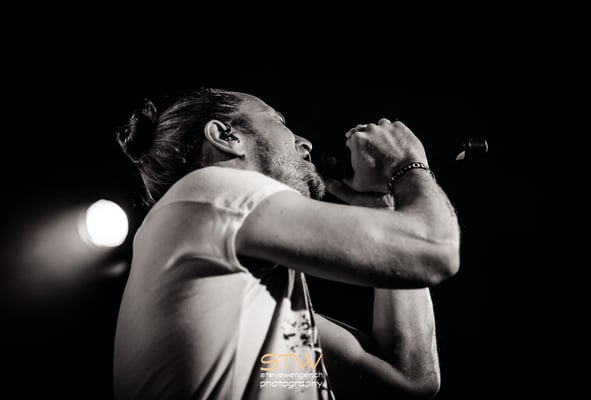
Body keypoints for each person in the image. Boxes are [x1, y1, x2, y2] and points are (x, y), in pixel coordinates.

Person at [113, 88, 460, 400]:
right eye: (278, 121)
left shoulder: (246, 296)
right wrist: (406, 163)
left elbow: (408, 378)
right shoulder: (208, 188)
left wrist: (381, 206)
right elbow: (436, 251)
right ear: (226, 136)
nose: (305, 143)